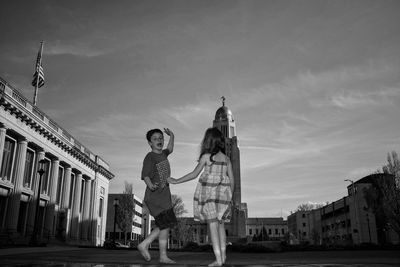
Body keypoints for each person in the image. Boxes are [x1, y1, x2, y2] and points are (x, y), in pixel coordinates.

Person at [168, 127, 234, 267]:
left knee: (213, 226)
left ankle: (218, 259)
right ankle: (224, 256)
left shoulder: (206, 157)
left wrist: (176, 180)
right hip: (224, 197)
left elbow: (193, 174)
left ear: (208, 141)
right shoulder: (227, 159)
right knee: (221, 226)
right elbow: (232, 181)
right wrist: (229, 199)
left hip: (209, 196)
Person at [137, 128, 177, 264]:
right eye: (155, 139)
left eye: (160, 138)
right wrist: (149, 184)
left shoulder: (164, 154)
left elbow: (170, 148)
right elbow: (145, 174)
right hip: (155, 195)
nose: (159, 140)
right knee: (165, 224)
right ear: (150, 143)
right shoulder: (150, 157)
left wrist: (172, 135)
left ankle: (148, 246)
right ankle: (160, 254)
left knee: (165, 224)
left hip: (164, 195)